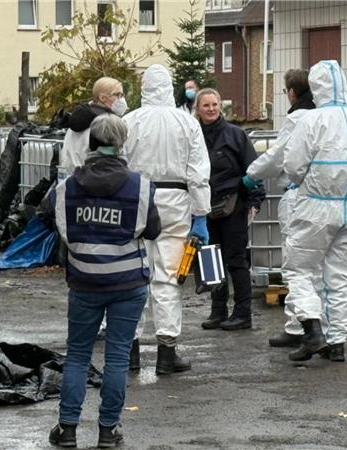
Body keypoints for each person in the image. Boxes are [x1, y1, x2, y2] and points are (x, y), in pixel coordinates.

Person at [50, 114, 161, 448]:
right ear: (122, 144)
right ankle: (108, 431)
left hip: (84, 282)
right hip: (128, 282)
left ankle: (67, 429)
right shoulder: (139, 185)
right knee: (116, 357)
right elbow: (152, 229)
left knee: (77, 355)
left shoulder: (67, 187)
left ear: (91, 143)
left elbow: (52, 220)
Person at [279, 60, 347, 362]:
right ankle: (337, 343)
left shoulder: (312, 121)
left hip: (316, 207)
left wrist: (302, 183)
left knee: (300, 270)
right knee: (340, 276)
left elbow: (293, 166)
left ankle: (312, 332)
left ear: (316, 87)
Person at [122, 64, 211, 375]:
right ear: (171, 87)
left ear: (144, 88)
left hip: (136, 201)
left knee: (133, 277)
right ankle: (166, 352)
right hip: (176, 203)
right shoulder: (186, 123)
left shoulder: (129, 121)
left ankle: (129, 351)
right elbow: (198, 173)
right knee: (169, 277)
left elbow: (118, 164)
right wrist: (201, 214)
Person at [245, 68, 315, 348]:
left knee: (296, 265)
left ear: (291, 92)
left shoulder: (297, 118)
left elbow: (279, 156)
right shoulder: (331, 116)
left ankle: (298, 327)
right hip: (328, 201)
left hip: (298, 196)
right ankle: (328, 332)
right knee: (322, 268)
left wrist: (252, 174)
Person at [195, 88, 265, 331]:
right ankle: (218, 310)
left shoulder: (236, 135)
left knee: (236, 260)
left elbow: (253, 169)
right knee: (210, 258)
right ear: (198, 109)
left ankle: (243, 312)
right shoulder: (193, 136)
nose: (211, 108)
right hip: (204, 206)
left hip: (233, 205)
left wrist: (255, 200)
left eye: (215, 104)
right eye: (206, 105)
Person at [61, 77, 127, 175]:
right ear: (102, 98)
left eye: (122, 95)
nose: (121, 99)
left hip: (73, 178)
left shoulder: (78, 119)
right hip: (93, 179)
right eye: (117, 95)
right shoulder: (105, 125)